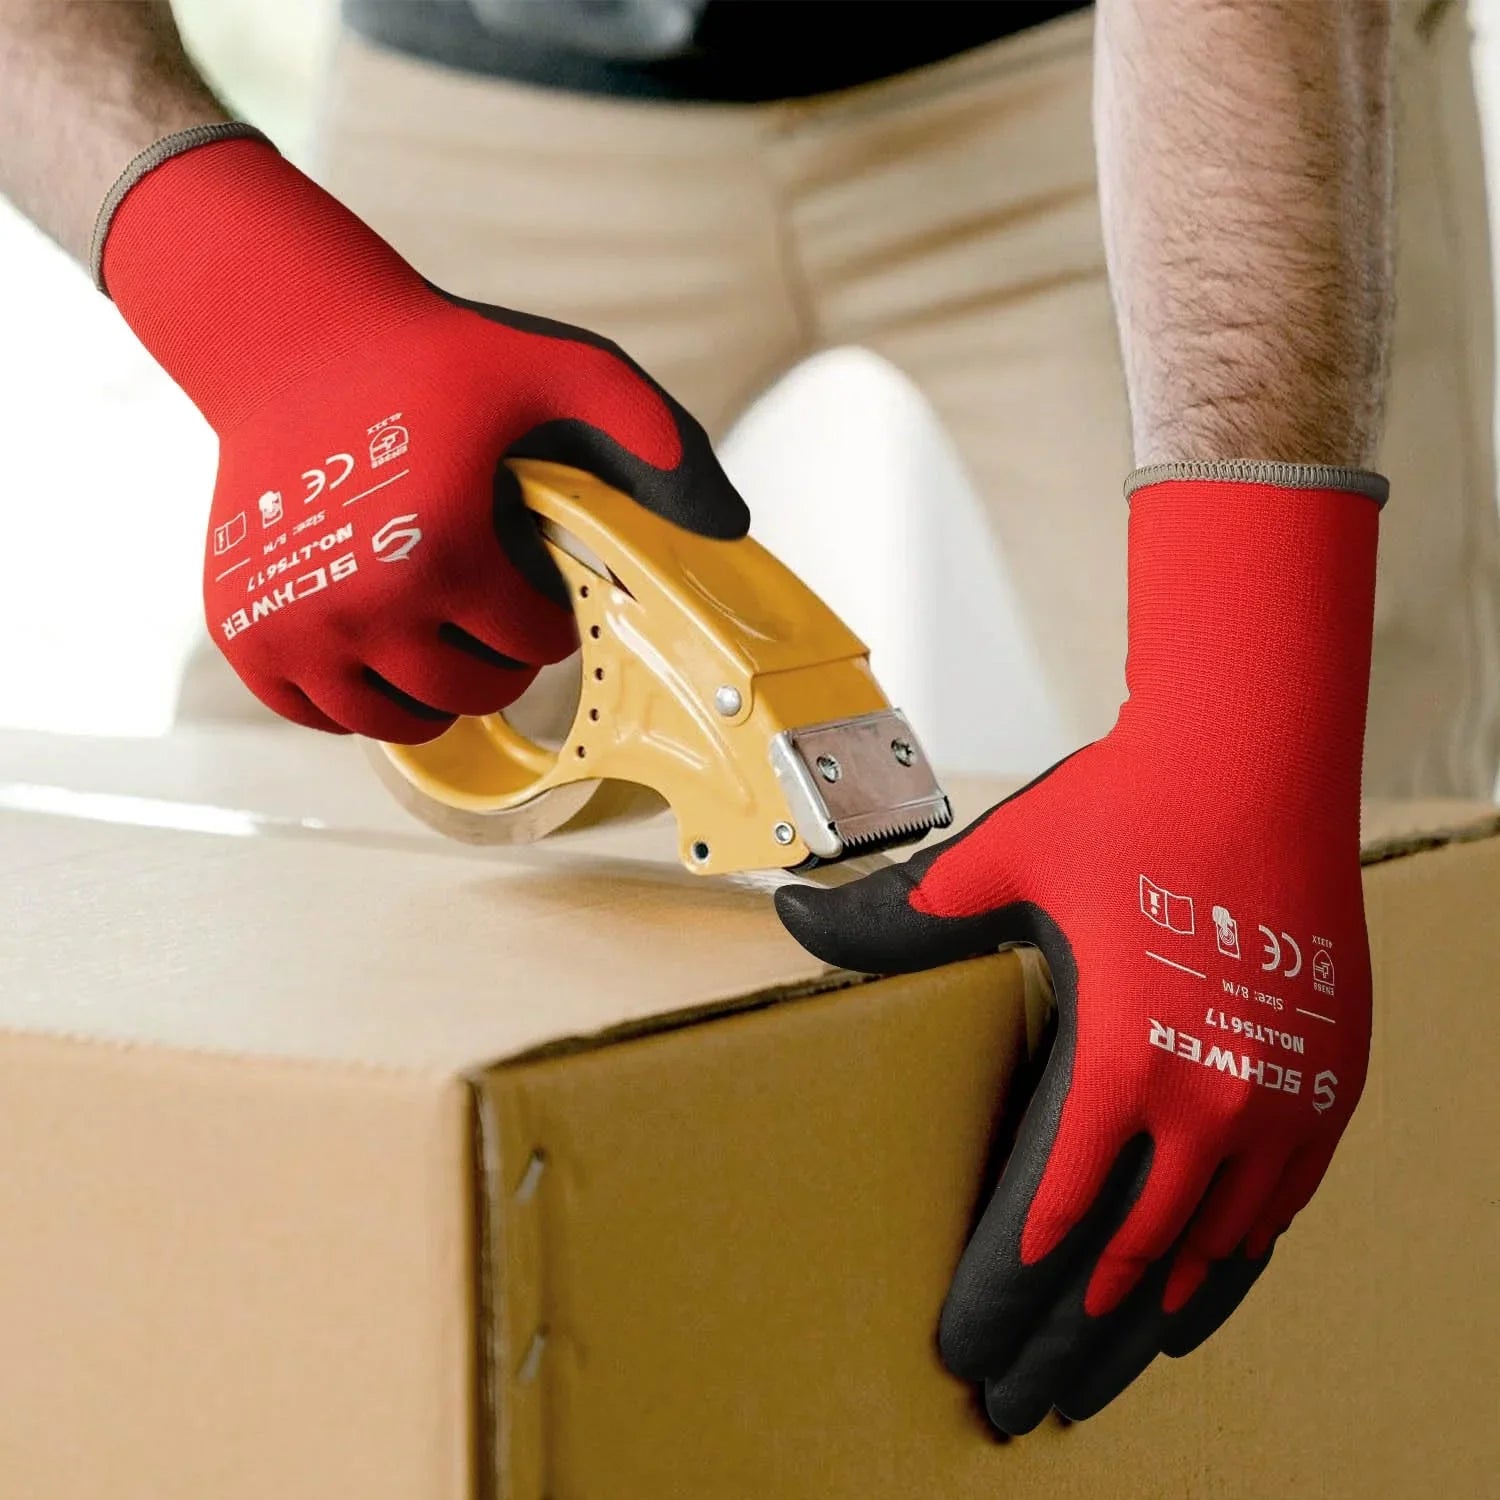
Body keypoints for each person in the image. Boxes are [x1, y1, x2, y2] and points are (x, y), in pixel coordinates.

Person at [0, 0, 1485, 1434]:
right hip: (506, 84)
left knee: (1338, 903)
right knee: (283, 859)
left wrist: (1247, 708)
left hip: (1107, 69)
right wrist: (238, 287)